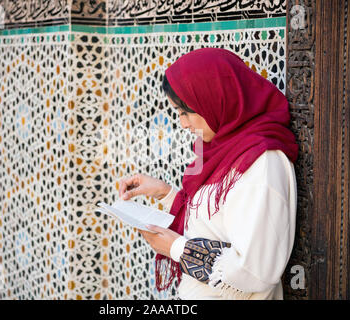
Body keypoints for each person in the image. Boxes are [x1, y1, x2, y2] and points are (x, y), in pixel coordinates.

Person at [118, 47, 298, 300]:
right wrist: (165, 193)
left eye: (185, 112)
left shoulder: (262, 163)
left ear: (215, 98)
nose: (182, 124)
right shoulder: (221, 151)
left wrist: (177, 248)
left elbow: (257, 271)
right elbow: (214, 222)